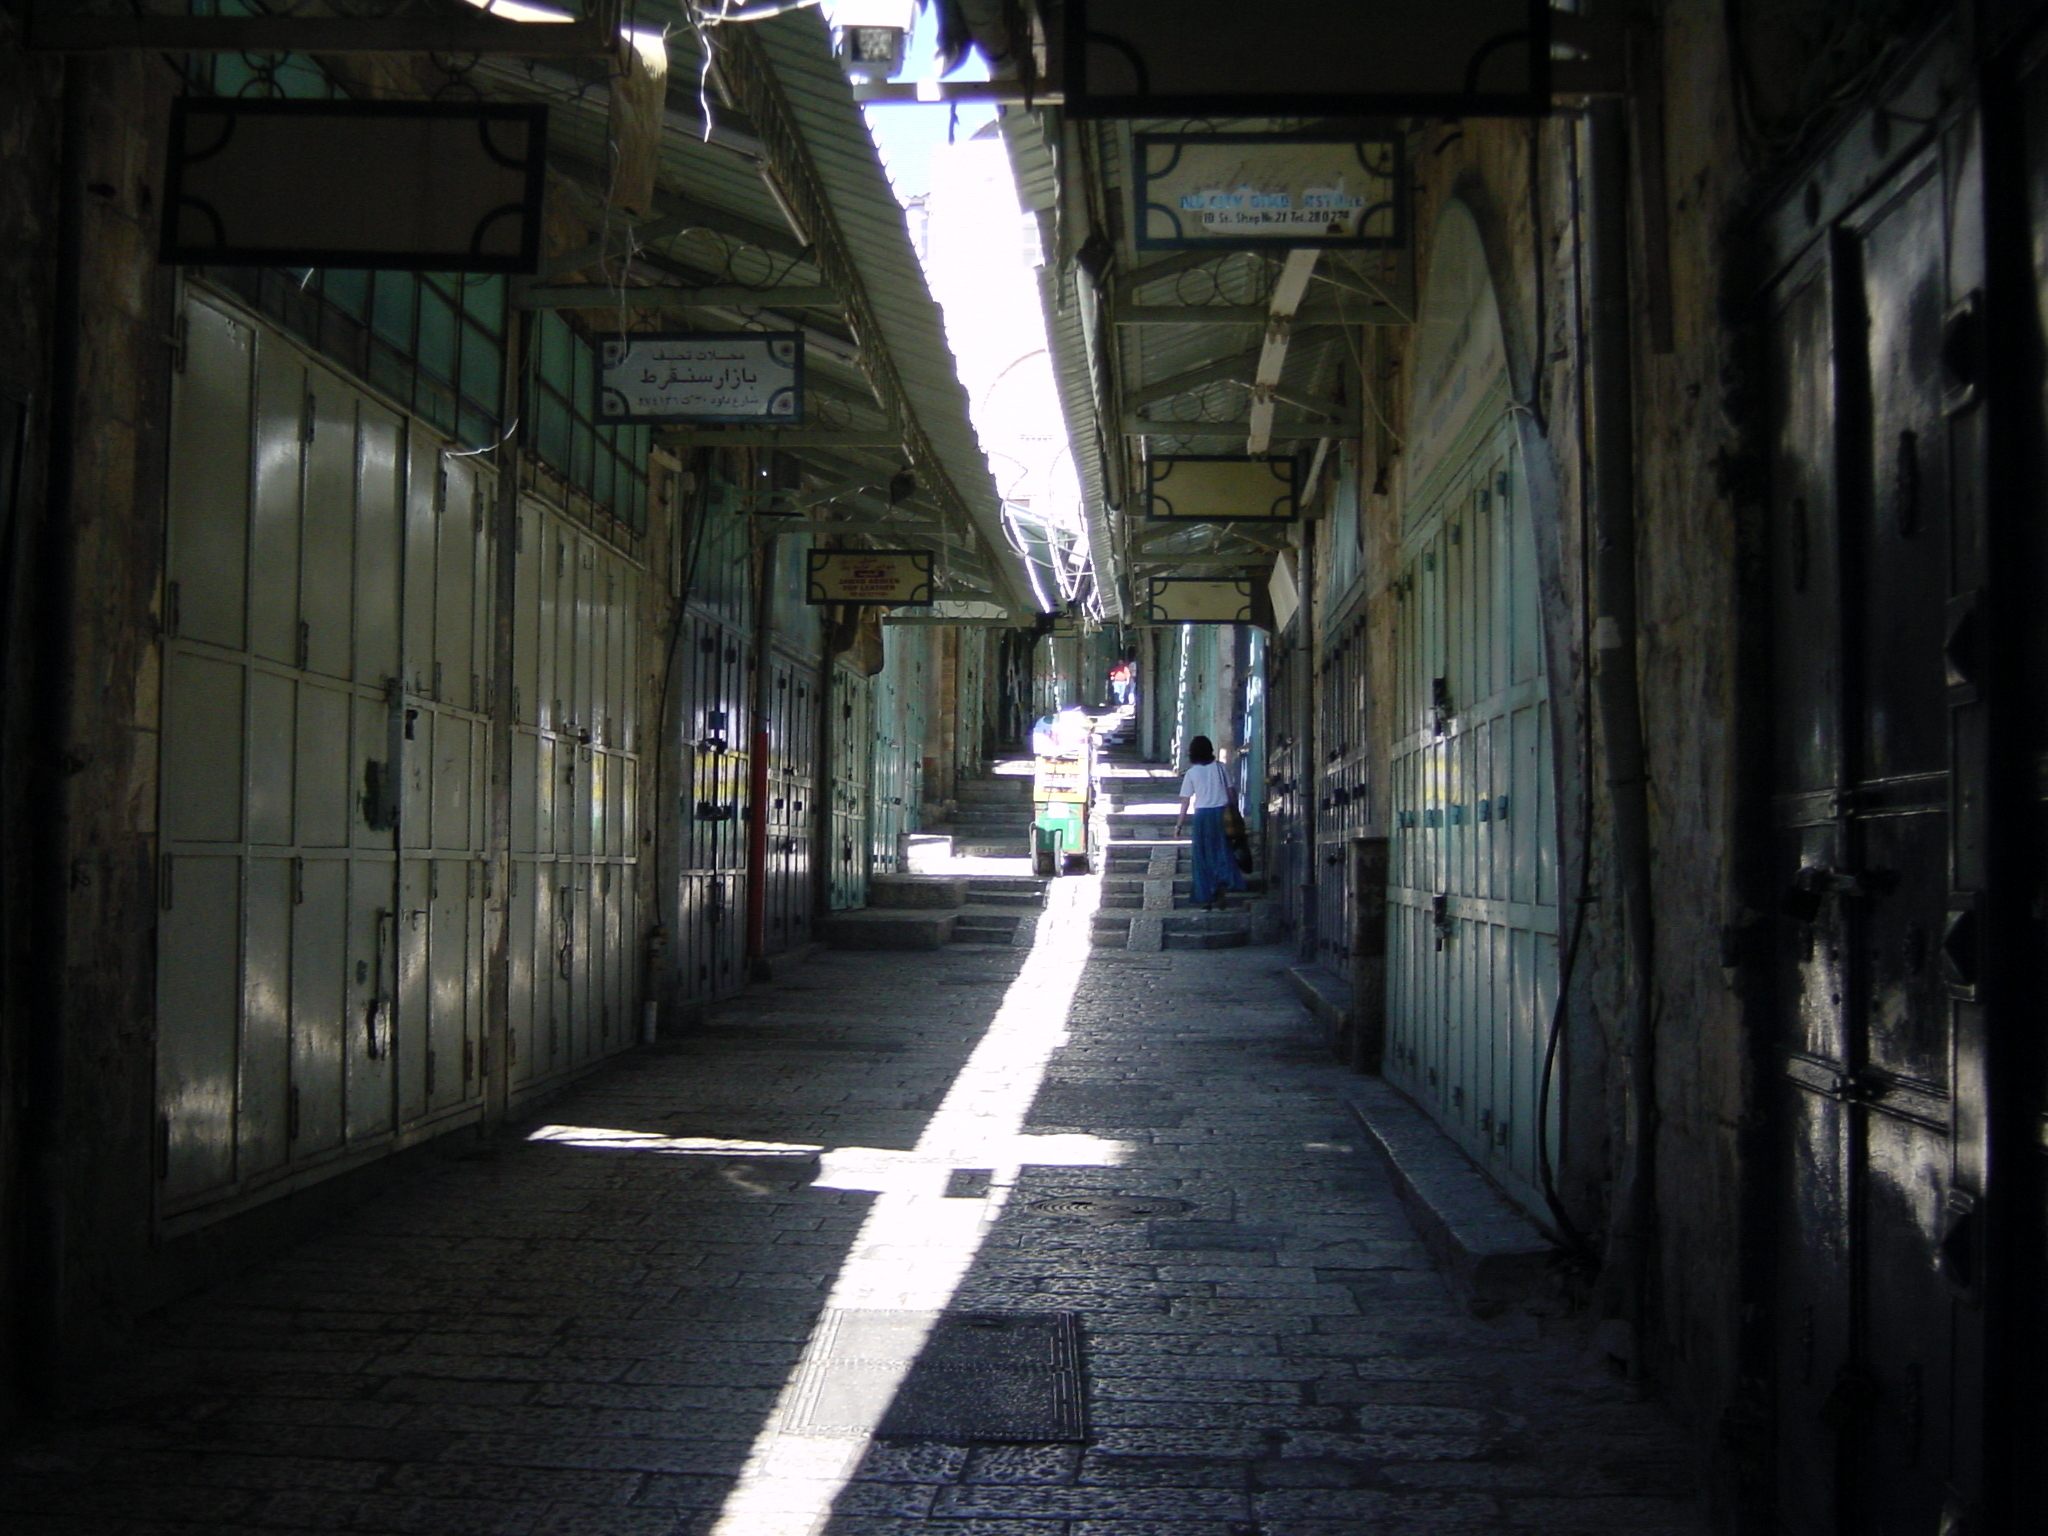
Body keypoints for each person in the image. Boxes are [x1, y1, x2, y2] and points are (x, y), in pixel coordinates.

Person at [1173, 735, 1247, 910]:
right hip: (1222, 815)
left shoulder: (1191, 773)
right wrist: (1236, 815)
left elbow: (1185, 801)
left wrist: (1179, 826)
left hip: (1202, 817)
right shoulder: (1221, 768)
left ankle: (1205, 896)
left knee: (1202, 857)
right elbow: (1231, 794)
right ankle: (1222, 888)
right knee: (1222, 851)